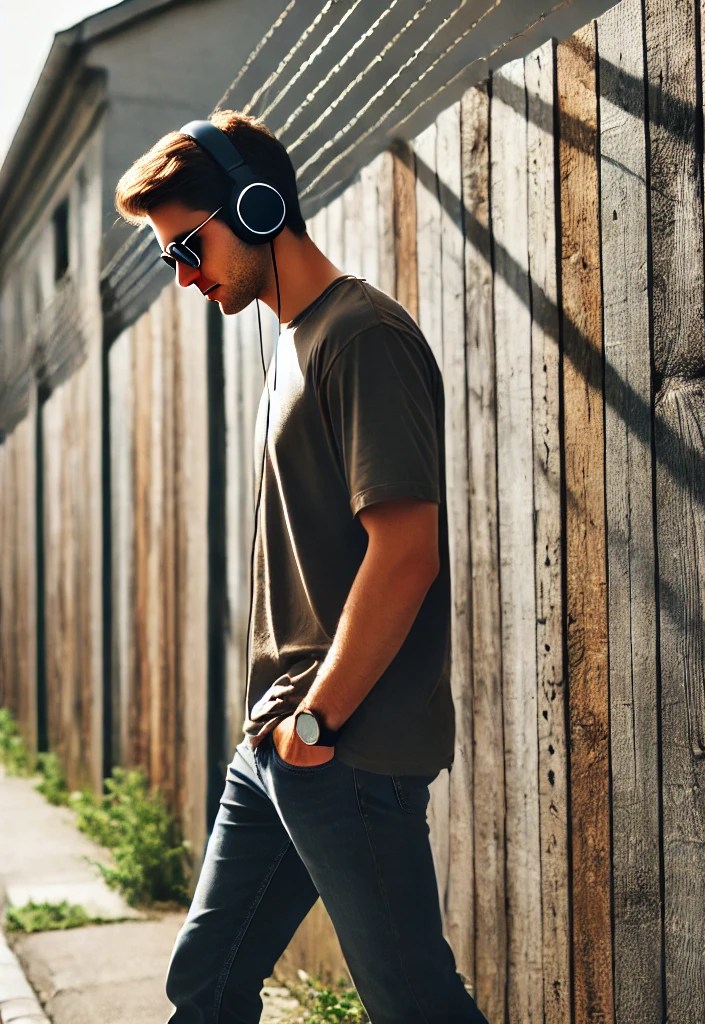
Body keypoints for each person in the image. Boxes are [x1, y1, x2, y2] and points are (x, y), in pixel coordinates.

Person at [114, 110, 488, 1024]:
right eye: (169, 261)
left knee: (416, 1006)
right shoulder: (293, 342)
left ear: (258, 205)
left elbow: (406, 553)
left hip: (343, 747)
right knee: (205, 988)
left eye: (189, 248)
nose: (184, 275)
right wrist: (282, 735)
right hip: (278, 746)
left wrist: (317, 723)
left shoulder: (361, 336)